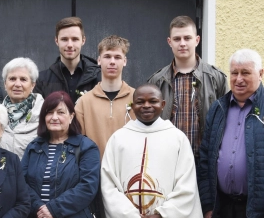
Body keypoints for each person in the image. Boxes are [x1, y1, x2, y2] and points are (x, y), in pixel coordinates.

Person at [101, 84, 202, 218]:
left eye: (153, 101)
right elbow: (109, 186)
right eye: (140, 102)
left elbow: (186, 186)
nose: (146, 105)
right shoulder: (118, 139)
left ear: (163, 104)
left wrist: (162, 214)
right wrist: (130, 215)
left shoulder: (177, 139)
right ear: (132, 105)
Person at [147, 16, 228, 161]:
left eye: (187, 38)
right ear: (169, 42)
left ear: (197, 40)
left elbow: (227, 120)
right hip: (167, 160)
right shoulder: (157, 81)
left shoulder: (216, 78)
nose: (182, 43)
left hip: (204, 162)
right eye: (177, 39)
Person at [198, 49, 264, 218]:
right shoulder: (218, 108)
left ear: (260, 73)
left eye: (246, 73)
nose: (239, 79)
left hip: (256, 209)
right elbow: (205, 157)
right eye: (234, 73)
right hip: (221, 207)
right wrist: (208, 206)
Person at [22, 91, 100, 218]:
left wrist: (53, 209)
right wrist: (39, 208)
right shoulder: (34, 147)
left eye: (60, 112)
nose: (54, 117)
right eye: (49, 112)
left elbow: (88, 187)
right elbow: (21, 183)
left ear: (71, 116)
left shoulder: (86, 147)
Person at [75, 35, 136, 159]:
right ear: (99, 60)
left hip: (129, 173)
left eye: (117, 57)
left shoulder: (137, 99)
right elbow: (77, 143)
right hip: (95, 174)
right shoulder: (84, 102)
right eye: (107, 56)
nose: (112, 61)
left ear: (125, 61)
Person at [34, 17, 101, 104]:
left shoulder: (98, 76)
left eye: (75, 39)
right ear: (56, 41)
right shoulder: (41, 80)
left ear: (83, 41)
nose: (69, 45)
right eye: (64, 39)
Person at [0, 57, 44, 159]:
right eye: (12, 79)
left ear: (33, 85)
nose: (17, 84)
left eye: (23, 79)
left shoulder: (46, 114)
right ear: (5, 84)